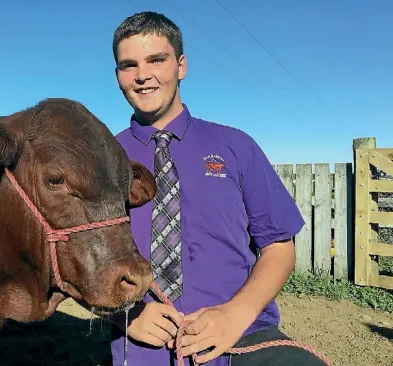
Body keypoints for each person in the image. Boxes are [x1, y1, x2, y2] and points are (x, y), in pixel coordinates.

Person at [107, 11, 328, 366]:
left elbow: (278, 247)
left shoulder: (235, 146)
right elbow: (75, 256)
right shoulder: (104, 157)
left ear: (181, 66)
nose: (142, 75)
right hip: (146, 340)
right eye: (128, 65)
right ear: (117, 75)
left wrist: (235, 315)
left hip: (244, 333)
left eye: (156, 60)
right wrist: (124, 315)